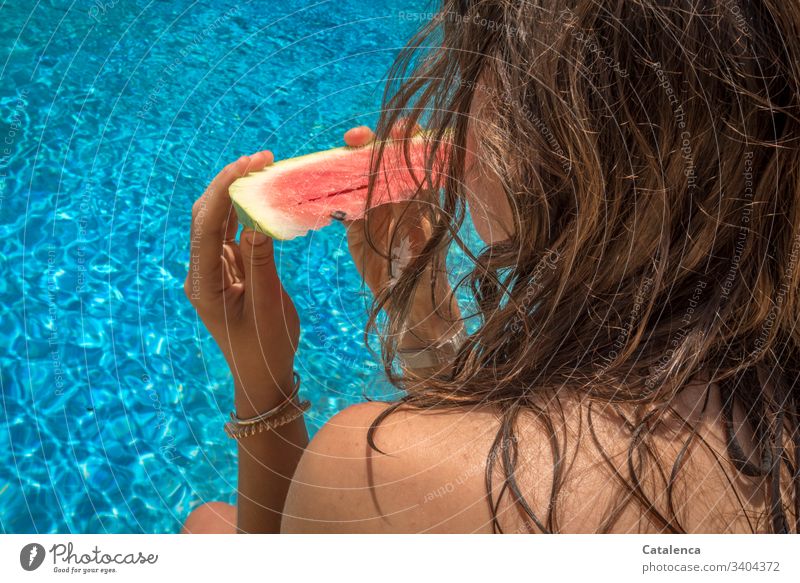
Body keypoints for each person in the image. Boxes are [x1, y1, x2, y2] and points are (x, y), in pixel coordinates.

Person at [182, 0, 799, 534]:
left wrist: (262, 381)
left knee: (204, 525)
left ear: (544, 143)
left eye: (467, 77)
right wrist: (423, 318)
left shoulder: (366, 472)